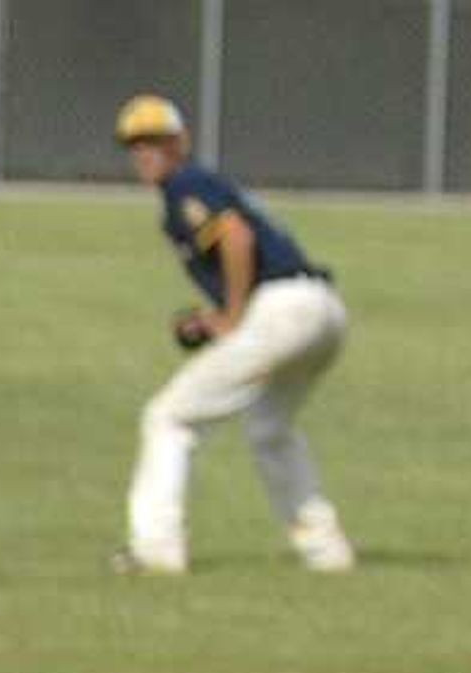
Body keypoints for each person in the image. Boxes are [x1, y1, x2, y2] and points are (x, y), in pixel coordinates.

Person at [106, 93, 356, 578]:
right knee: (270, 429)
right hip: (321, 311)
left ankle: (156, 550)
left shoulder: (186, 184)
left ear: (181, 142)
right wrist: (216, 318)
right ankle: (327, 554)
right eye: (135, 144)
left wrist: (233, 316)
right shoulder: (198, 186)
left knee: (168, 418)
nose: (144, 152)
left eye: (155, 141)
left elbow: (235, 236)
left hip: (283, 310)